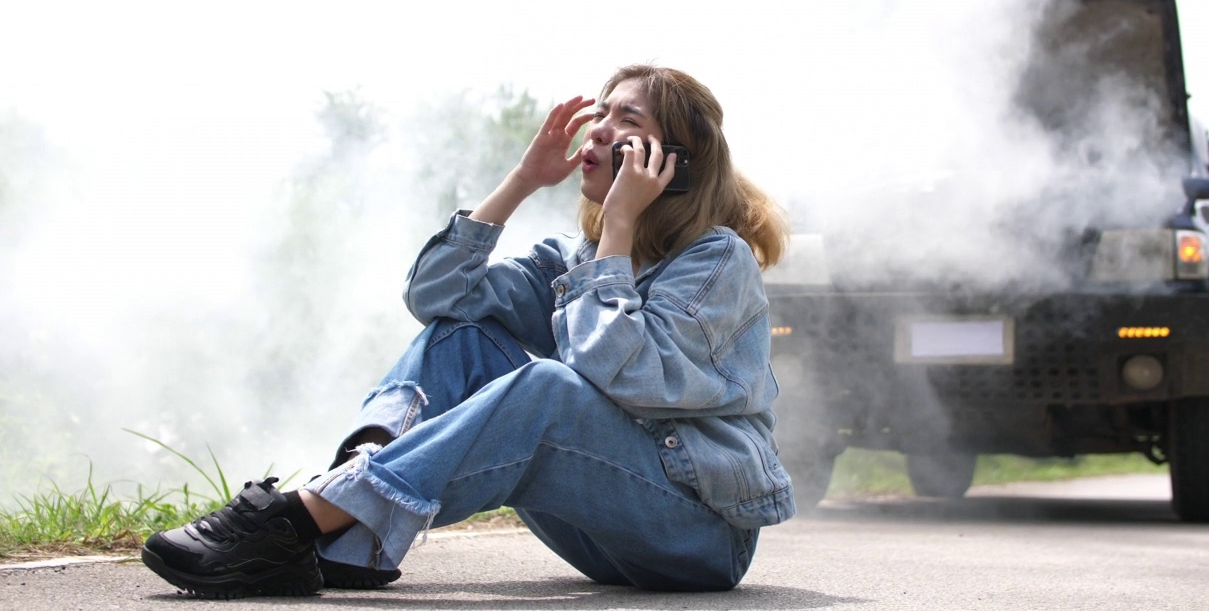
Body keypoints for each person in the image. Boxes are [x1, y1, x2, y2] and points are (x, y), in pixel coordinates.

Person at [141, 64, 795, 599]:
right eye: (600, 112)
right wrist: (522, 181)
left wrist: (619, 230)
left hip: (699, 537)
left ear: (672, 162)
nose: (599, 129)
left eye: (627, 120)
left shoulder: (716, 262)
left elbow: (622, 374)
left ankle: (301, 520)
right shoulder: (577, 259)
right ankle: (351, 538)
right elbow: (436, 296)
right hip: (607, 540)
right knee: (462, 334)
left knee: (546, 387)